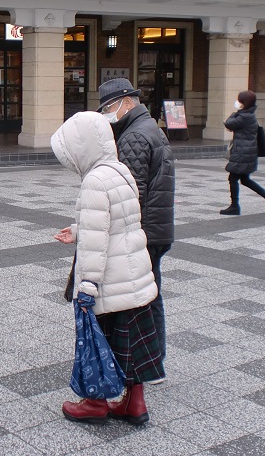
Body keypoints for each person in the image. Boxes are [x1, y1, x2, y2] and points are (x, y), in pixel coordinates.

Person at [52, 111, 164, 426]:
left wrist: (87, 286)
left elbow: (95, 242)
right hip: (133, 275)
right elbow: (118, 221)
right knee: (130, 343)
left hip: (108, 281)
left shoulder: (94, 181)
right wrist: (78, 230)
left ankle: (95, 403)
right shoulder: (120, 171)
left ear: (82, 147)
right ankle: (134, 403)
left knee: (99, 341)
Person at [97, 78, 174, 377]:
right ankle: (156, 359)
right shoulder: (150, 128)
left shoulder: (134, 136)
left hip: (144, 229)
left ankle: (148, 364)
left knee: (142, 298)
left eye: (109, 107)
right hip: (157, 226)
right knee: (151, 293)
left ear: (127, 102)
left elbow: (130, 191)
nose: (107, 114)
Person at [220, 90, 265, 215]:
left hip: (243, 152)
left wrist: (234, 113)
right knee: (244, 179)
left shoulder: (244, 116)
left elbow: (228, 123)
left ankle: (235, 206)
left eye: (239, 101)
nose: (237, 103)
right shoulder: (249, 115)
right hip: (247, 152)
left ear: (244, 103)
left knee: (233, 178)